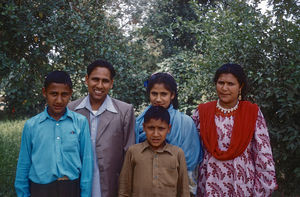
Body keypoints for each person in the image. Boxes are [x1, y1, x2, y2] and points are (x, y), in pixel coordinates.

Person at [192, 63, 278, 196]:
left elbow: (263, 154)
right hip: (209, 184)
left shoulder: (252, 112)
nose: (224, 88)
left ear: (240, 87)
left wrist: (261, 189)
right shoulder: (202, 112)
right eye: (221, 82)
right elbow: (192, 151)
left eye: (230, 84)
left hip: (243, 185)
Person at [15, 71, 93, 197]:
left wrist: (85, 193)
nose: (59, 100)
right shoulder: (32, 125)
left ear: (70, 94)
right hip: (40, 189)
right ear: (44, 92)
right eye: (54, 94)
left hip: (71, 188)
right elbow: (24, 163)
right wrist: (23, 193)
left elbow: (87, 162)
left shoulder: (80, 123)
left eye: (64, 94)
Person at [68, 59, 135, 197]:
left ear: (111, 83)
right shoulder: (72, 110)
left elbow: (129, 155)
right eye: (95, 79)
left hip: (110, 187)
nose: (99, 85)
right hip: (76, 185)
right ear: (86, 79)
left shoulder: (124, 111)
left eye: (105, 81)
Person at [135, 72, 203, 195]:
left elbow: (190, 165)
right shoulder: (139, 123)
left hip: (175, 187)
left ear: (172, 95)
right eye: (154, 94)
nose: (158, 99)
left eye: (164, 94)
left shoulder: (185, 123)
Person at [119, 106, 190, 196]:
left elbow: (184, 191)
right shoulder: (133, 152)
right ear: (144, 127)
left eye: (161, 129)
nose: (156, 134)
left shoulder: (177, 154)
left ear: (168, 129)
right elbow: (124, 189)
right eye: (151, 128)